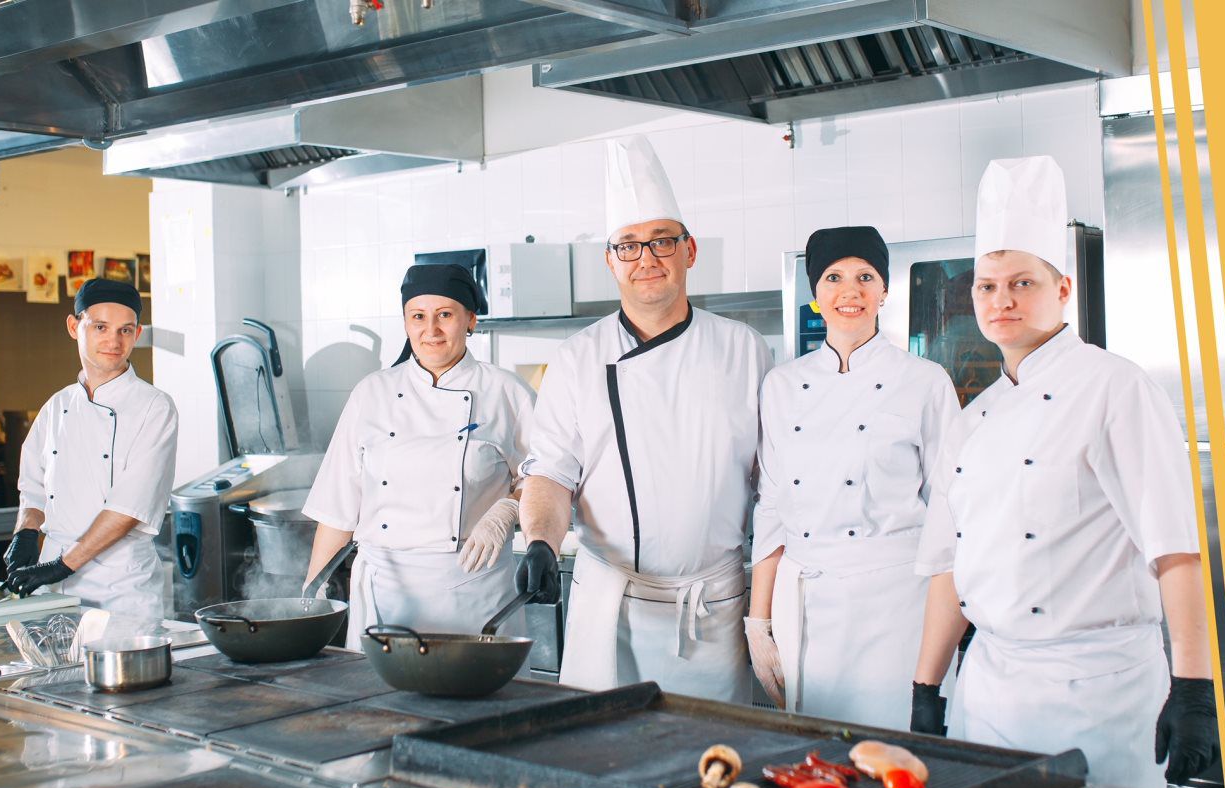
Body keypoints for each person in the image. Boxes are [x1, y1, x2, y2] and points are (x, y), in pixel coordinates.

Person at [910, 157, 1221, 788]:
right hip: (989, 694)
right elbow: (949, 565)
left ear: (1063, 290)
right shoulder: (973, 419)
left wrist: (1194, 687)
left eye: (1022, 283)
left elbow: (1175, 549)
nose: (1002, 301)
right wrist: (926, 687)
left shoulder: (1116, 389)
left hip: (1098, 696)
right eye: (987, 286)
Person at [516, 136, 772, 698]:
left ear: (690, 250)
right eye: (628, 246)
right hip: (610, 609)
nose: (647, 259)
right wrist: (539, 541)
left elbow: (773, 484)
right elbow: (551, 473)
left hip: (714, 610)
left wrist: (771, 606)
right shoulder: (577, 358)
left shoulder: (745, 349)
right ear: (610, 261)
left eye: (661, 241)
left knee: (715, 748)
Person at [747, 226, 958, 727]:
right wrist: (759, 621)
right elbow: (772, 506)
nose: (851, 291)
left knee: (896, 752)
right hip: (805, 604)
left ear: (884, 290)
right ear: (816, 294)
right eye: (834, 277)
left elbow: (951, 515)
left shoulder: (925, 382)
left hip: (897, 607)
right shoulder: (781, 385)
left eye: (865, 277)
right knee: (817, 751)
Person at [303, 264, 537, 637]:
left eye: (445, 315)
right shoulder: (371, 393)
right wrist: (311, 596)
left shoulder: (507, 393)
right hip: (386, 594)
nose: (431, 330)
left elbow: (547, 478)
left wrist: (507, 510)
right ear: (405, 323)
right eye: (418, 317)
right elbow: (336, 509)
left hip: (475, 591)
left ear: (470, 320)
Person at [2, 279, 180, 638]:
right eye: (100, 327)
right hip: (53, 593)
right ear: (74, 327)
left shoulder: (154, 407)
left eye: (125, 330)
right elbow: (33, 488)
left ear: (137, 334)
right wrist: (26, 532)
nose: (114, 341)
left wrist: (61, 565)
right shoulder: (57, 406)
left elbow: (128, 509)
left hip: (120, 593)